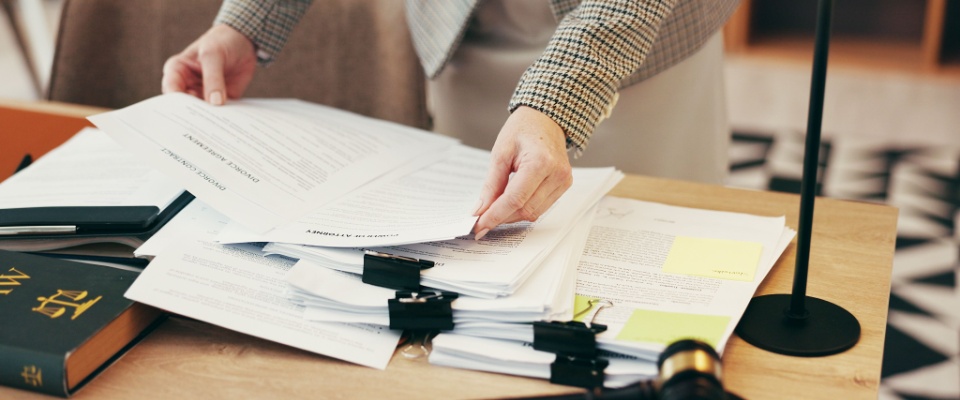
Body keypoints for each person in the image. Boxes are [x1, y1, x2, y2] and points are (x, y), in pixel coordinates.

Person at [162, 0, 740, 239]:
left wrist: (556, 103)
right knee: (482, 240)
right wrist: (248, 19)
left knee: (645, 235)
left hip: (635, 40)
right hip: (464, 26)